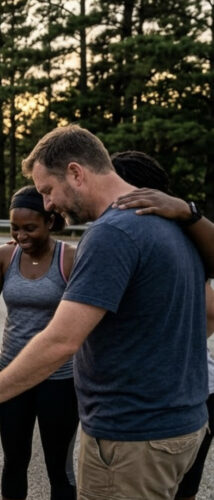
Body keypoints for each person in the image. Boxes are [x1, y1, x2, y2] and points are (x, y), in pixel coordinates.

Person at [0, 125, 208, 500]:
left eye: (47, 191)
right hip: (180, 424)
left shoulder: (111, 234)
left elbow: (61, 340)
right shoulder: (171, 221)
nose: (49, 204)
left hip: (131, 435)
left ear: (75, 172)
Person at [0, 185, 77, 500]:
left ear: (50, 221)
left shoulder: (70, 258)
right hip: (11, 375)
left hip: (59, 380)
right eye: (15, 228)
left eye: (29, 228)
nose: (20, 235)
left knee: (59, 467)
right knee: (15, 463)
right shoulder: (5, 256)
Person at [108, 151, 214, 500]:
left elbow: (210, 310)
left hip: (175, 395)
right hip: (189, 391)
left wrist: (169, 344)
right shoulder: (182, 234)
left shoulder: (159, 239)